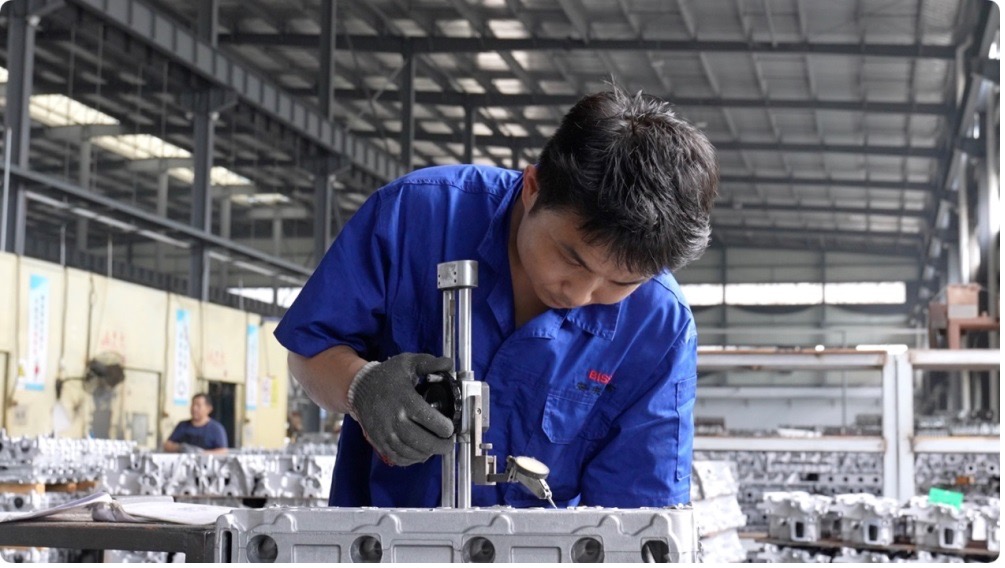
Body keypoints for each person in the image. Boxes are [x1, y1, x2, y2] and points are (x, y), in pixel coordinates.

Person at [275, 87, 718, 508]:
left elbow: (638, 514)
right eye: (572, 258)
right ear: (533, 187)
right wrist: (360, 385)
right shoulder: (417, 215)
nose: (580, 294)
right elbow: (309, 350)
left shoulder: (658, 326)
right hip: (382, 540)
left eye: (620, 283)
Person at [163, 393, 229, 454]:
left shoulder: (216, 429)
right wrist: (180, 448)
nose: (194, 408)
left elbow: (223, 451)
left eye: (198, 405)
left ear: (209, 409)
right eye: (193, 405)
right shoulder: (182, 425)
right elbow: (167, 445)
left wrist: (202, 454)